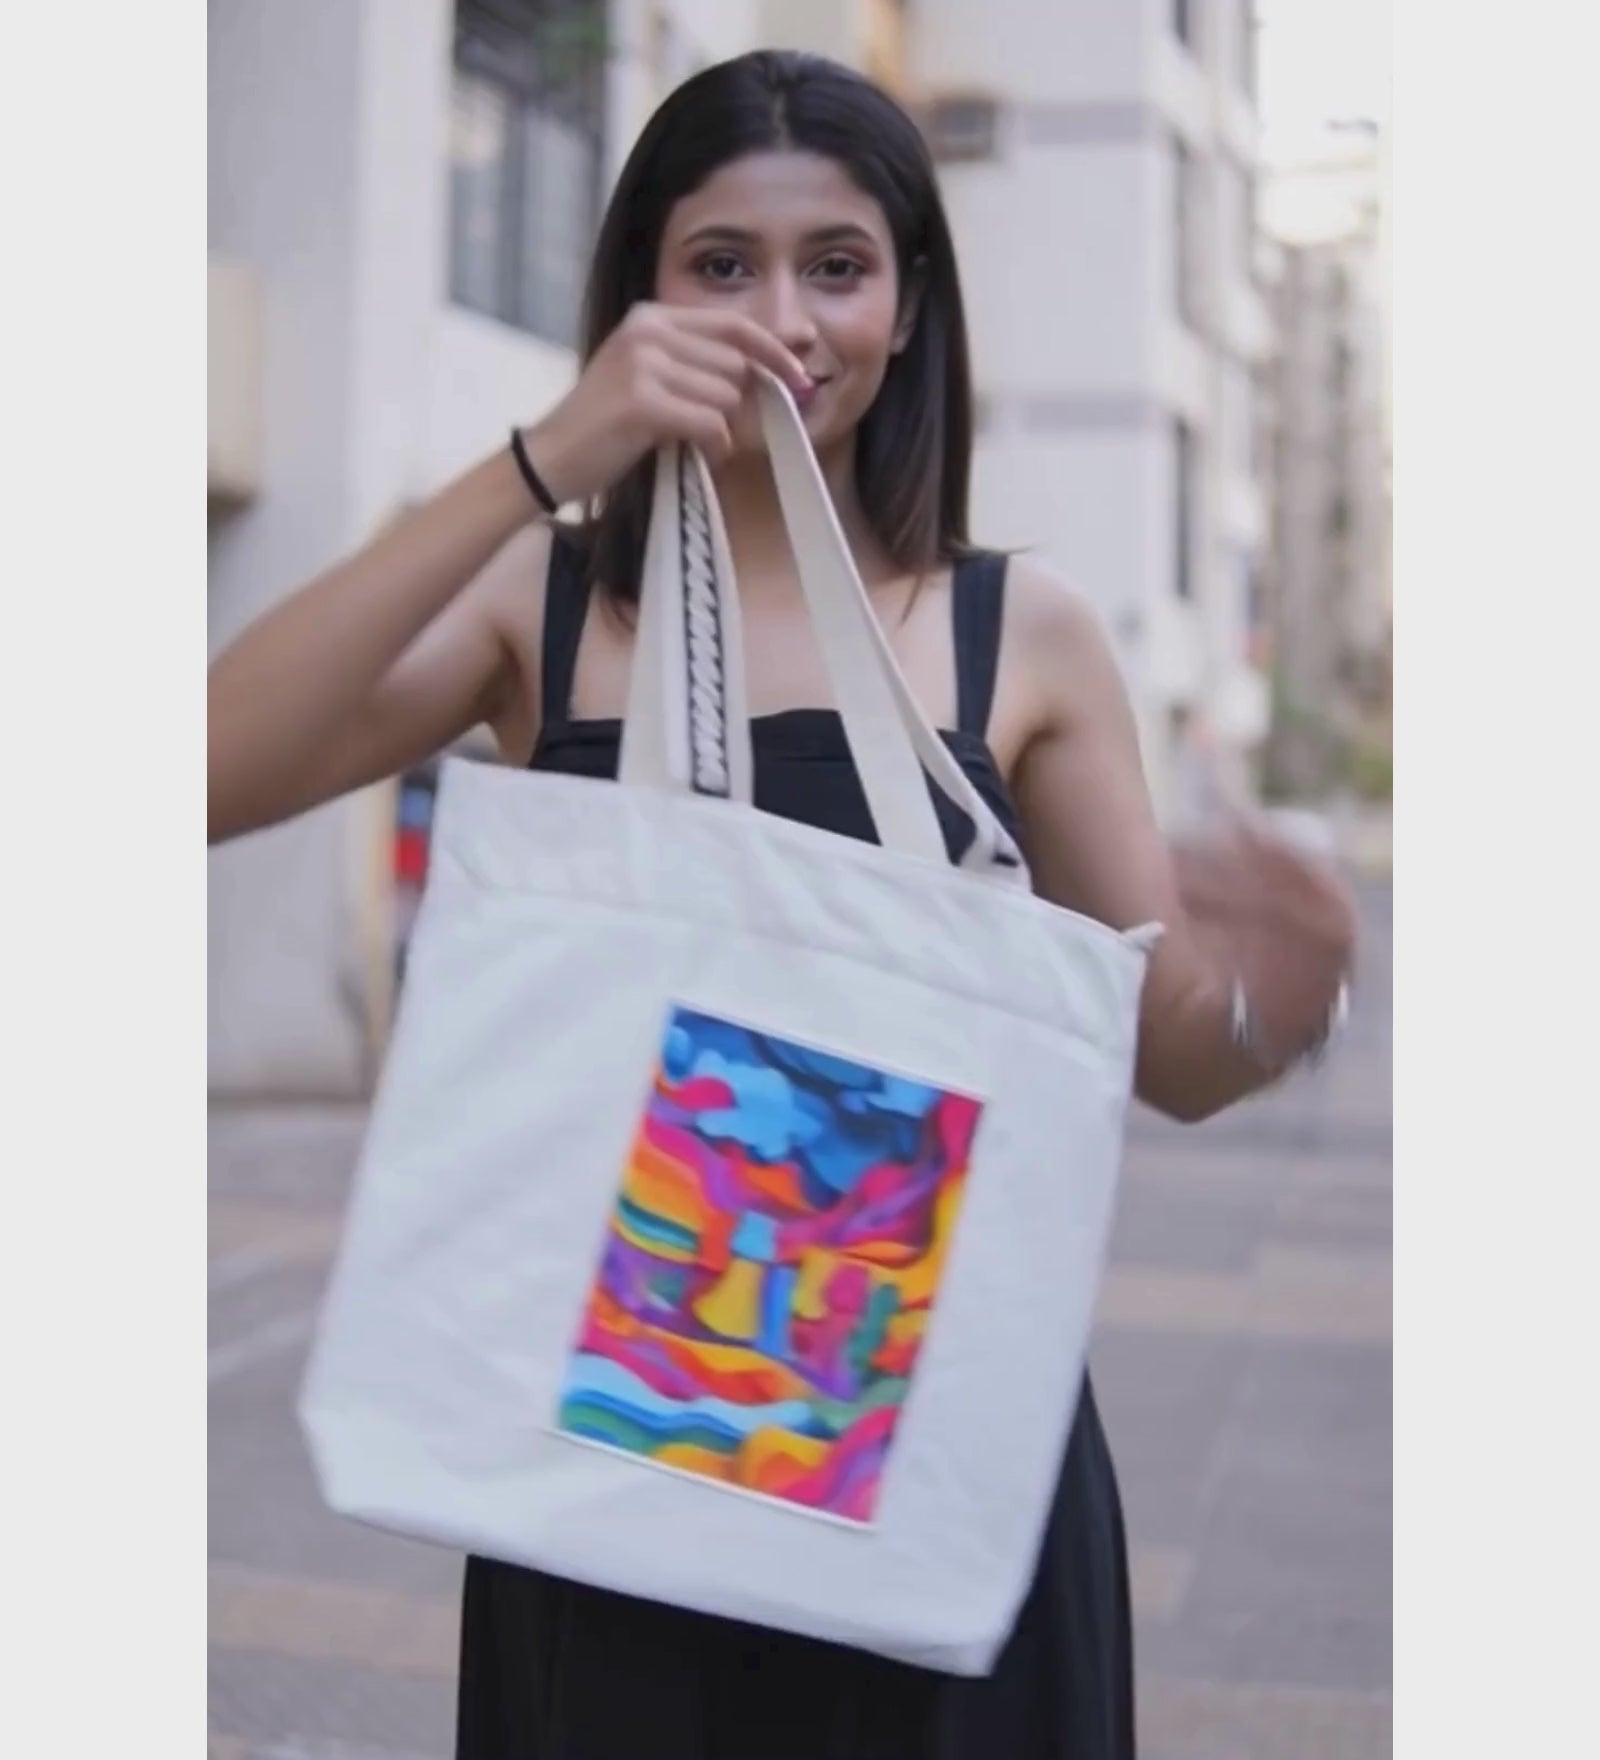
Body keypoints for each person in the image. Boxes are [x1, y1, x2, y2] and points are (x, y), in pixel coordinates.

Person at [209, 48, 1356, 1760]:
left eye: (837, 265)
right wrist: (543, 456)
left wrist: (1286, 993)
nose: (783, 320)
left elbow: (1174, 1058)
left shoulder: (1016, 635)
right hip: (610, 1461)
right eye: (721, 264)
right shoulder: (545, 602)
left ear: (909, 305)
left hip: (940, 1462)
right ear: (641, 296)